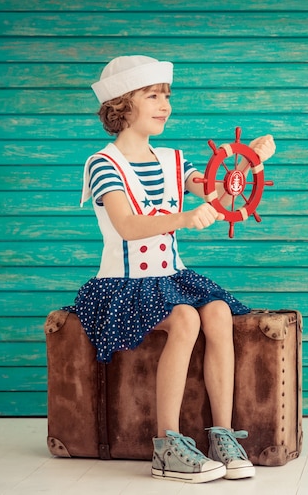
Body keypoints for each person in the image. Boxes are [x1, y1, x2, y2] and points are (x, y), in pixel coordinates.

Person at [67, 55, 276, 484]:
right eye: (152, 95)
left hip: (170, 276)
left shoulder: (174, 161)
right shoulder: (103, 163)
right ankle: (167, 446)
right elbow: (127, 226)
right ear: (122, 104)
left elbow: (219, 193)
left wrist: (249, 163)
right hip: (123, 284)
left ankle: (222, 436)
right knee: (184, 318)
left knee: (216, 311)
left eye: (167, 95)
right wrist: (183, 218)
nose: (164, 104)